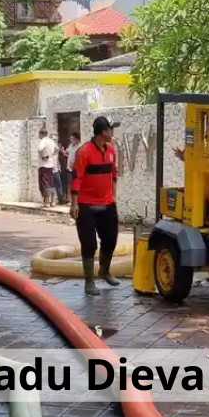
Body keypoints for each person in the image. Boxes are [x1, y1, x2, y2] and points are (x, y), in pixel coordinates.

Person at [70, 116, 121, 295]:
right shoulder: (84, 151)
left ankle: (104, 271)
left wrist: (113, 196)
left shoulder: (111, 149)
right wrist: (74, 204)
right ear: (103, 132)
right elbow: (76, 178)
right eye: (111, 129)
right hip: (86, 204)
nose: (113, 132)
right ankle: (89, 281)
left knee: (110, 239)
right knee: (89, 243)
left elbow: (114, 174)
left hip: (107, 203)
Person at [36, 128, 57, 207]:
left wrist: (43, 157)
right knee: (51, 183)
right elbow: (57, 149)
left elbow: (40, 149)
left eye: (39, 134)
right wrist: (51, 156)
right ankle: (53, 202)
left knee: (45, 183)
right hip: (51, 165)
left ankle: (47, 202)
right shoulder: (51, 141)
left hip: (43, 165)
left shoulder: (43, 141)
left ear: (41, 134)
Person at [63, 131, 81, 197]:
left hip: (76, 168)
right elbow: (67, 153)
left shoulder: (80, 147)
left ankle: (77, 197)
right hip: (69, 168)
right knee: (69, 184)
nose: (71, 140)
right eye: (70, 138)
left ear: (77, 139)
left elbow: (80, 158)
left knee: (76, 184)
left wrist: (75, 163)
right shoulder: (70, 146)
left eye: (72, 138)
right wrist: (64, 152)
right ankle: (69, 198)